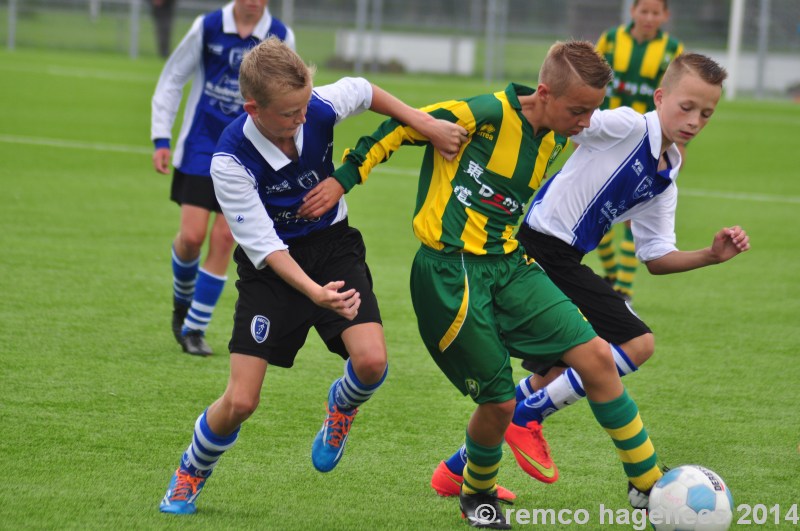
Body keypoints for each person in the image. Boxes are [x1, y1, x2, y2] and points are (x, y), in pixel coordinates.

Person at [328, 41, 664, 529]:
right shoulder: (484, 113)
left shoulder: (551, 134)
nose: (586, 122)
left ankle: (648, 482)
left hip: (510, 263)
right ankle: (477, 494)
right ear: (544, 93)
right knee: (500, 401)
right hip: (449, 272)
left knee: (594, 355)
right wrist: (344, 177)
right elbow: (402, 124)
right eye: (578, 110)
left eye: (592, 110)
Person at [158, 37, 468, 515]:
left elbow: (364, 90)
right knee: (241, 401)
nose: (301, 119)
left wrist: (425, 124)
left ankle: (341, 406)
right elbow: (265, 246)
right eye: (288, 113)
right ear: (252, 108)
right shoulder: (230, 160)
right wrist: (314, 294)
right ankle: (190, 472)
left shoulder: (315, 106)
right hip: (274, 272)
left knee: (372, 364)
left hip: (332, 247)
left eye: (304, 107)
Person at [495, 53, 745, 491]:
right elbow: (571, 119)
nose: (694, 120)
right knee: (638, 342)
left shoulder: (666, 177)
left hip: (565, 260)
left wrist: (710, 254)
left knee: (552, 376)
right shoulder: (628, 126)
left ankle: (457, 470)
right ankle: (532, 419)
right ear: (661, 97)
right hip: (539, 248)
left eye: (706, 113)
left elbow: (656, 256)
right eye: (686, 107)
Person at [151, 0, 295, 357]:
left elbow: (290, 96)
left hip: (247, 150)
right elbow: (172, 78)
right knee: (191, 237)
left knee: (225, 236)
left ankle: (194, 328)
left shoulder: (280, 35)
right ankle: (182, 300)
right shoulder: (208, 26)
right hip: (201, 146)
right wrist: (161, 137)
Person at [594, 0, 684, 301]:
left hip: (648, 143)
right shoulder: (610, 39)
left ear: (665, 16)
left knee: (634, 217)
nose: (648, 17)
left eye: (655, 12)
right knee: (596, 206)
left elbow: (679, 96)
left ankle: (624, 290)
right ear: (632, 12)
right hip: (607, 136)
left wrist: (676, 144)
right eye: (643, 11)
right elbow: (590, 78)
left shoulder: (673, 50)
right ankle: (610, 276)